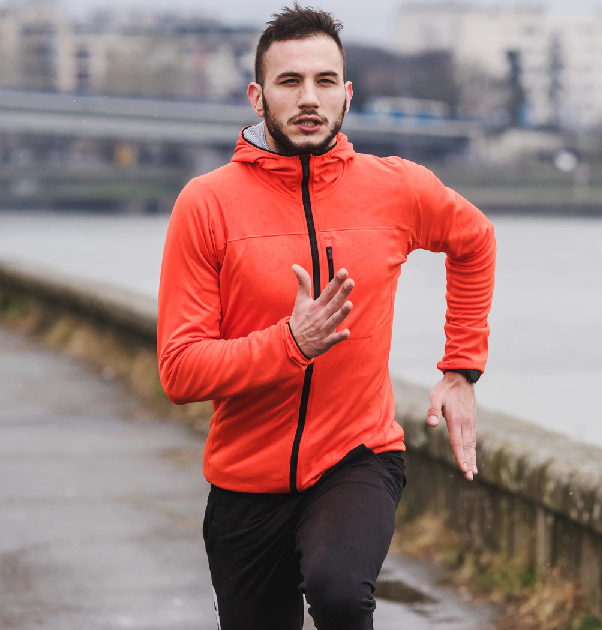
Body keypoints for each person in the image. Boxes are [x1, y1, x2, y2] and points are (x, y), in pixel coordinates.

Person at [155, 5, 496, 629]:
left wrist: (461, 369)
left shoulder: (395, 188)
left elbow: (474, 241)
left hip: (356, 456)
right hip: (245, 482)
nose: (309, 98)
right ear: (258, 98)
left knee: (340, 591)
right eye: (290, 82)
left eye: (324, 80)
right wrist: (290, 342)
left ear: (346, 93)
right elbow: (180, 371)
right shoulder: (206, 206)